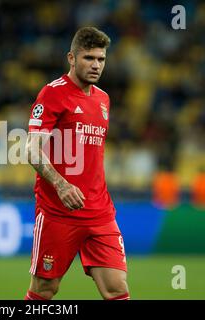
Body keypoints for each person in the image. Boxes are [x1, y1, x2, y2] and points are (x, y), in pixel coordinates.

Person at [24, 27, 130, 300]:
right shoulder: (52, 93)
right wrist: (61, 185)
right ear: (71, 58)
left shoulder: (103, 99)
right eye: (89, 58)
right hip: (58, 212)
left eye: (101, 59)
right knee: (45, 290)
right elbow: (31, 150)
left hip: (99, 212)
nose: (96, 65)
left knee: (117, 289)